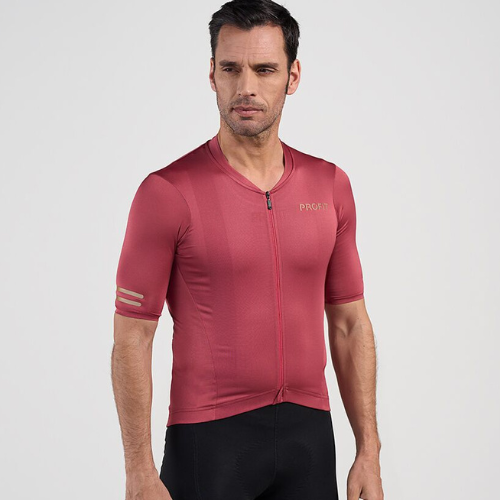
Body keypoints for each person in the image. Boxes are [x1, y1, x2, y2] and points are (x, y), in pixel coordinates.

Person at [111, 0, 384, 499]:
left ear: (293, 76)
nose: (246, 87)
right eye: (231, 68)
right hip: (209, 442)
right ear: (212, 75)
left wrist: (369, 450)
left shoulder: (329, 186)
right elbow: (133, 337)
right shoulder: (167, 193)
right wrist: (139, 471)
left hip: (309, 440)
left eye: (265, 69)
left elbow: (350, 323)